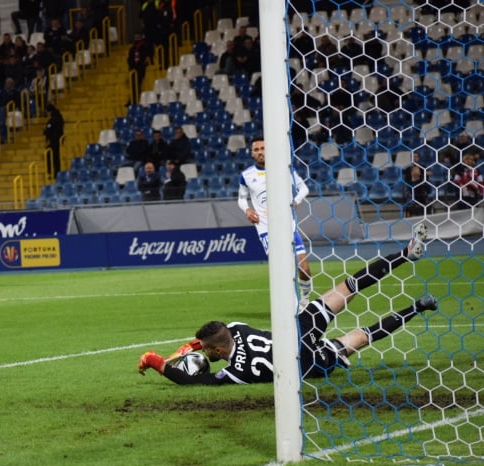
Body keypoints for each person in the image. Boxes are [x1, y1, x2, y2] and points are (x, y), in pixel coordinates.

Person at [138, 223, 433, 385]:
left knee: (359, 337)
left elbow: (189, 383)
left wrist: (157, 362)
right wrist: (183, 350)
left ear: (217, 350)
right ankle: (406, 253)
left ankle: (418, 307)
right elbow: (212, 337)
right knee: (348, 287)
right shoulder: (237, 328)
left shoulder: (235, 372)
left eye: (206, 348)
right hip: (297, 331)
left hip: (305, 364)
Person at [238, 135, 313, 309]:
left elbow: (304, 188)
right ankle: (291, 306)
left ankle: (305, 298)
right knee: (281, 270)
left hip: (288, 226)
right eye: (256, 150)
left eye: (263, 148)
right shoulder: (246, 175)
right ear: (252, 153)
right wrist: (247, 210)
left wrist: (296, 200)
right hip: (265, 228)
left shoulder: (284, 169)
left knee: (304, 269)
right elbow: (241, 199)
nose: (260, 152)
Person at [44, 104, 64, 175]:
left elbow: (48, 129)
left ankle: (52, 171)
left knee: (52, 156)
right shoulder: (59, 117)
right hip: (57, 139)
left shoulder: (53, 119)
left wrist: (46, 131)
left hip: (54, 140)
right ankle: (55, 171)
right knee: (55, 157)